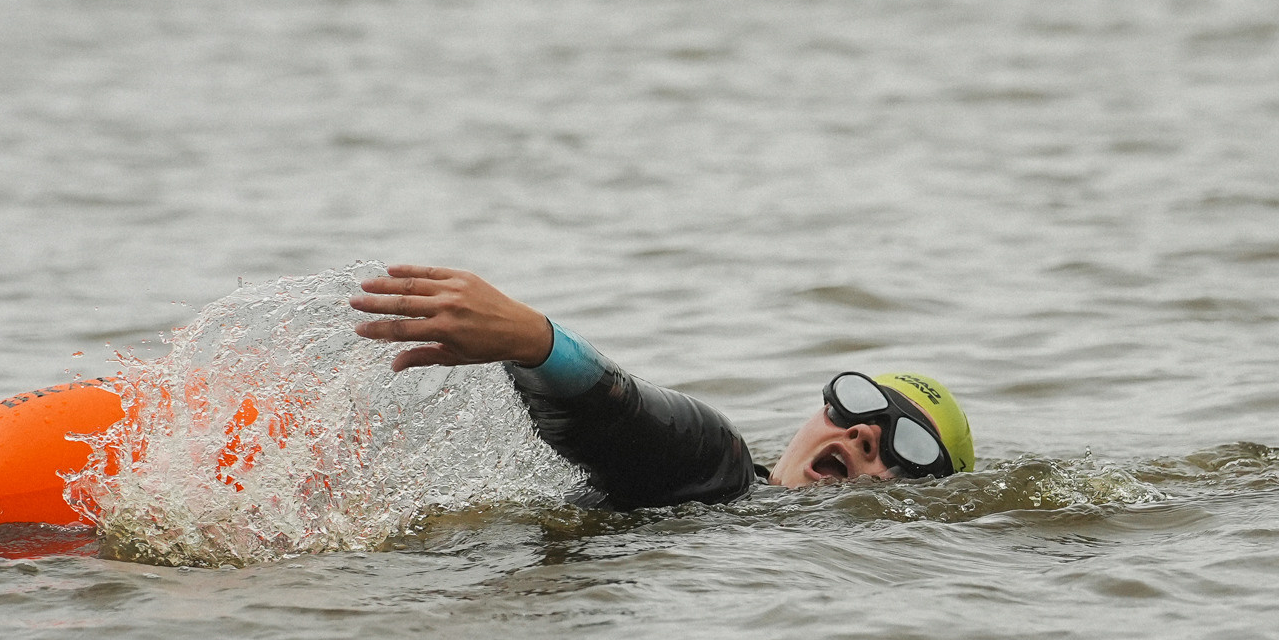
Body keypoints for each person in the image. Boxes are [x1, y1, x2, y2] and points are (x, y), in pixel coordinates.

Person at [351, 266, 975, 511]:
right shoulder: (722, 468)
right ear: (815, 416)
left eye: (910, 446)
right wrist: (537, 343)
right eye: (858, 403)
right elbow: (630, 423)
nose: (865, 432)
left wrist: (533, 342)